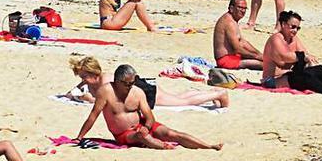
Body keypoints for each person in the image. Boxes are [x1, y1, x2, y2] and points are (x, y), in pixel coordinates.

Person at [76, 65, 223, 150]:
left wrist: (147, 126)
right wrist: (80, 136)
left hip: (141, 125)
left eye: (131, 83)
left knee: (173, 133)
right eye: (126, 84)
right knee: (142, 136)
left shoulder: (137, 92)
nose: (129, 86)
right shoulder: (106, 91)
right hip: (124, 134)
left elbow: (150, 116)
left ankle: (209, 146)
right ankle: (166, 148)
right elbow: (93, 115)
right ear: (117, 81)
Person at [66, 56, 230, 109]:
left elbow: (113, 102)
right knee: (177, 97)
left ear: (93, 73)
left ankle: (219, 93)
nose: (83, 81)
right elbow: (77, 88)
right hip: (142, 85)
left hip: (144, 92)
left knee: (181, 102)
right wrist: (71, 93)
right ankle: (209, 94)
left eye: (84, 77)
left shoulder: (106, 81)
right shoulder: (93, 81)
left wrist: (89, 99)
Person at [260, 11, 322, 96]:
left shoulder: (294, 39)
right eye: (293, 27)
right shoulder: (276, 39)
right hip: (273, 80)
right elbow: (285, 56)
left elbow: (305, 54)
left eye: (298, 28)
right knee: (306, 78)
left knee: (321, 69)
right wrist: (303, 56)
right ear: (283, 24)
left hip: (289, 75)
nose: (295, 30)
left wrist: (309, 61)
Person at [213, 0, 264, 70]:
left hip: (233, 56)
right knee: (263, 65)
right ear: (231, 8)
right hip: (226, 60)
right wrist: (256, 56)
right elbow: (237, 49)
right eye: (240, 8)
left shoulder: (233, 20)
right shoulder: (229, 22)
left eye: (244, 8)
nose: (243, 11)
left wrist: (259, 54)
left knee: (264, 61)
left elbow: (242, 42)